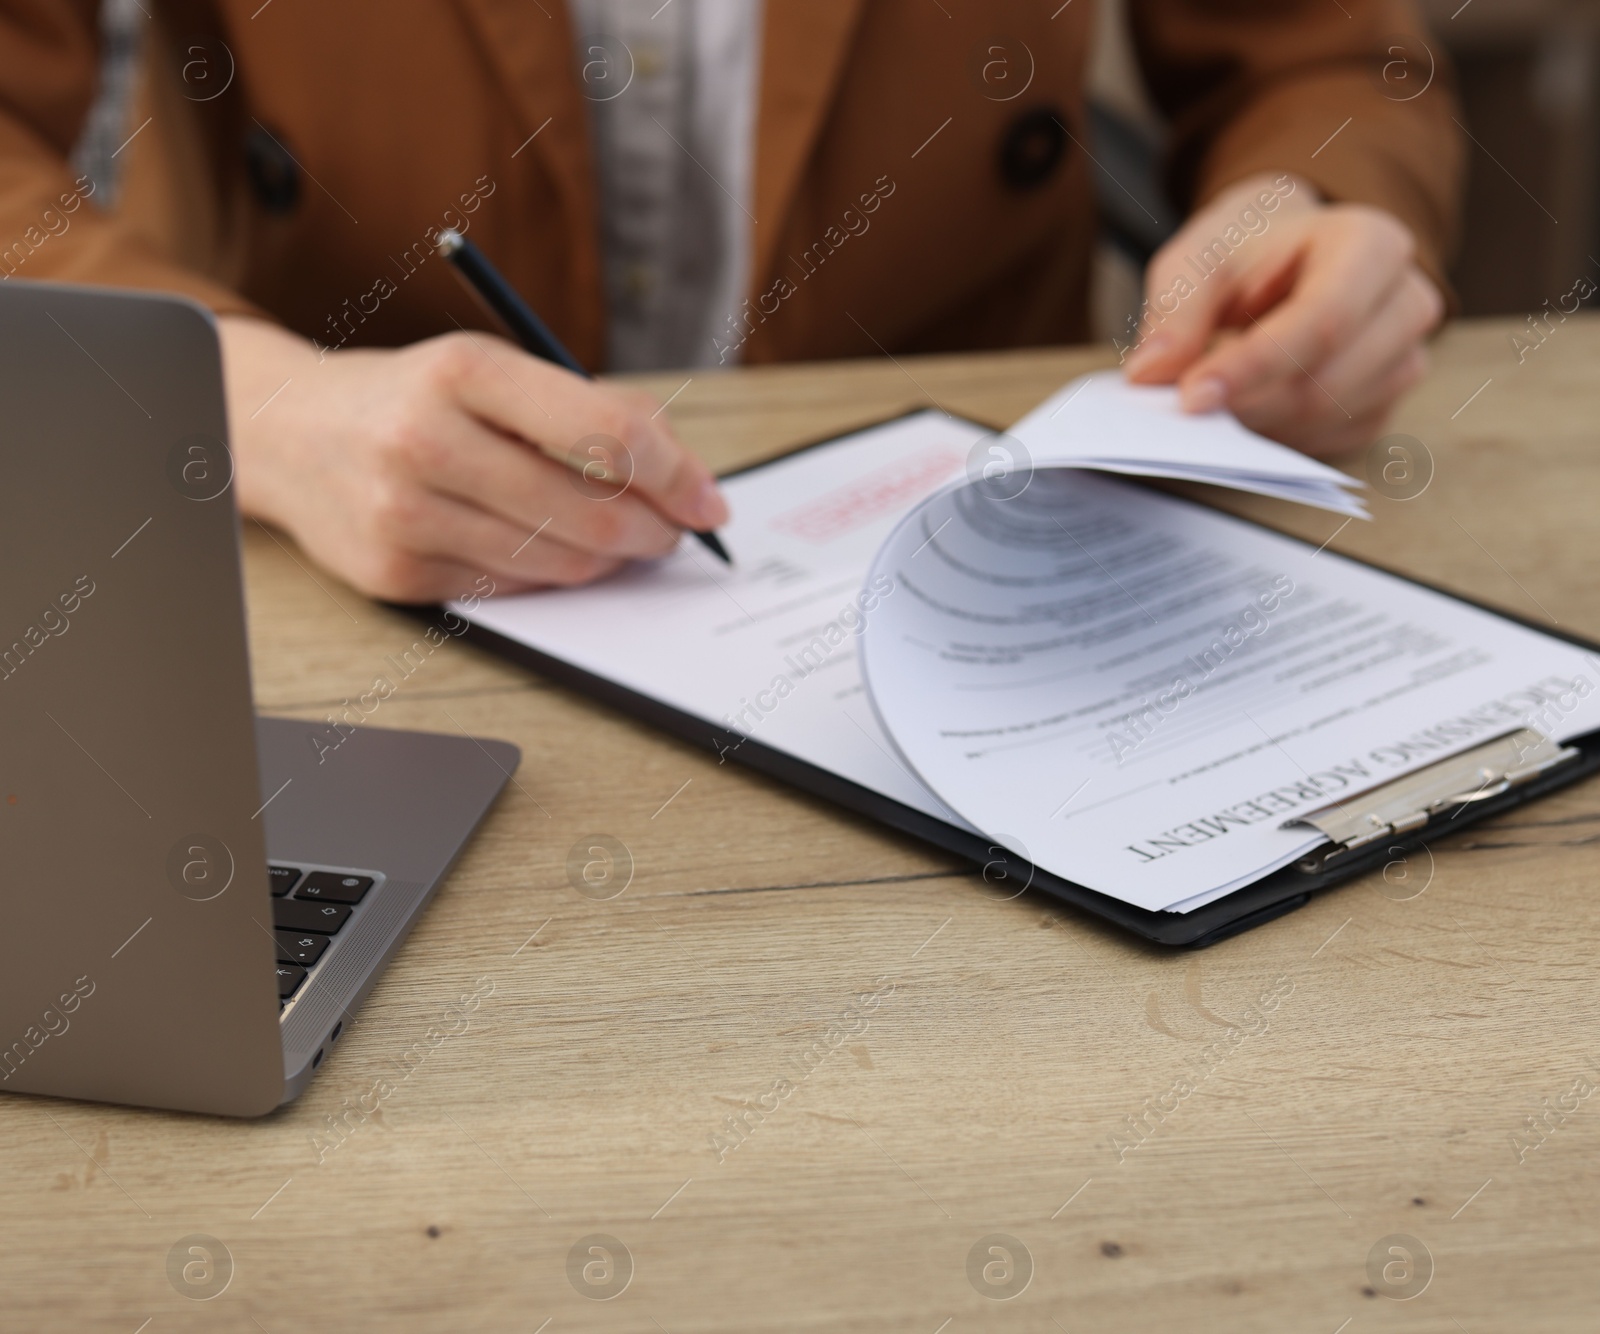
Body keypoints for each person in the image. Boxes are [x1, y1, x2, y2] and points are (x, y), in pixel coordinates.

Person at [1, 1, 1458, 601]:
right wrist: (250, 400)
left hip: (984, 536)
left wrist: (1314, 209)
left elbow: (1320, 57)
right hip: (340, 556)